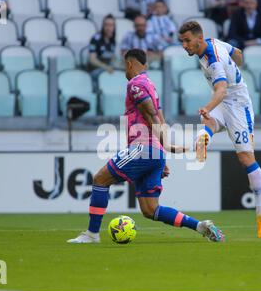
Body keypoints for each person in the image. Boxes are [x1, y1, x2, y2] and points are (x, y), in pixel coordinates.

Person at [67, 49, 225, 244]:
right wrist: (161, 154)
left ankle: (91, 235)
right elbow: (160, 118)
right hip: (153, 151)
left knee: (100, 180)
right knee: (151, 210)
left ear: (129, 64)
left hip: (142, 148)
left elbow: (150, 114)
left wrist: (165, 146)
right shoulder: (150, 84)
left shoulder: (135, 84)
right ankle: (199, 226)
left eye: (125, 65)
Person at [178, 21, 261, 239]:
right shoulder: (212, 43)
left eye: (187, 40)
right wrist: (236, 67)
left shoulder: (213, 60)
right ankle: (203, 140)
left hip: (238, 104)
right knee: (208, 123)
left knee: (246, 159)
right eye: (181, 41)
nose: (184, 45)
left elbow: (220, 91)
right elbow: (237, 53)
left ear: (199, 39)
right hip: (225, 101)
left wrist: (207, 107)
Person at [88, 14, 117, 83]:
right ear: (103, 26)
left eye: (111, 25)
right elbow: (92, 60)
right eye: (106, 25)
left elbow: (112, 58)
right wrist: (106, 67)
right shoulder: (95, 38)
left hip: (107, 70)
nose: (108, 28)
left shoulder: (112, 40)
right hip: (96, 71)